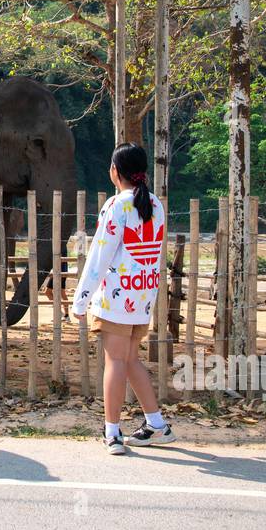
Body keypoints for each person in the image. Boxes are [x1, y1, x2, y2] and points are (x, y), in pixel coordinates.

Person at [71, 143, 177, 455]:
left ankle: (112, 433)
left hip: (117, 297)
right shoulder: (155, 203)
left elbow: (99, 256)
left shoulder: (117, 205)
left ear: (116, 172)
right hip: (142, 295)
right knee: (130, 360)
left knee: (115, 361)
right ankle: (157, 425)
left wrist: (81, 300)